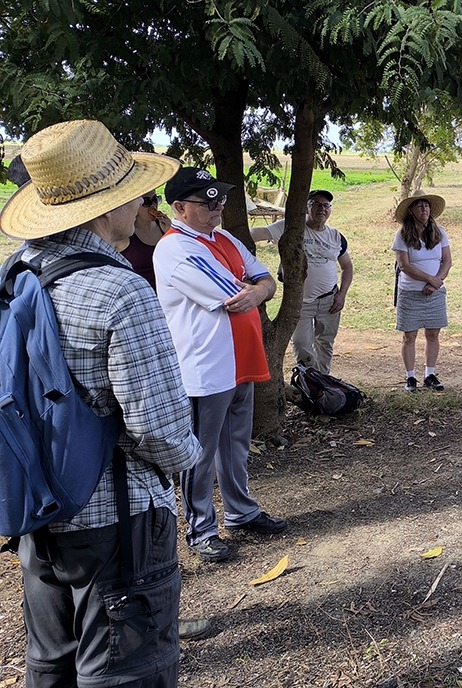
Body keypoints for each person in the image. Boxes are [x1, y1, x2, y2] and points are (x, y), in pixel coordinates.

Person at [0, 119, 202, 688]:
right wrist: (184, 466)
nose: (141, 199)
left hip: (39, 517)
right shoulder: (120, 291)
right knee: (128, 673)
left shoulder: (16, 277)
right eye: (132, 190)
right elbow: (160, 430)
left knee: (53, 669)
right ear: (102, 207)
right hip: (119, 521)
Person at [154, 167, 287, 563]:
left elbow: (264, 280)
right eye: (206, 202)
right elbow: (232, 294)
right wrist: (256, 288)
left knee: (235, 445)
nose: (217, 208)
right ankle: (200, 529)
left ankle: (241, 512)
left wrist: (260, 288)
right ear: (179, 207)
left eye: (220, 200)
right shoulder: (176, 248)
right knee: (199, 452)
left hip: (239, 361)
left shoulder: (224, 237)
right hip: (205, 368)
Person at [249, 189, 353, 375]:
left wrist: (342, 294)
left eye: (325, 205)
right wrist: (232, 235)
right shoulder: (292, 227)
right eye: (316, 204)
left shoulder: (336, 237)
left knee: (325, 342)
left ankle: (324, 382)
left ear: (330, 210)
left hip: (330, 299)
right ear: (306, 207)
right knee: (301, 343)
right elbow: (260, 233)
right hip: (300, 301)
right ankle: (309, 382)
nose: (321, 209)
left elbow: (347, 267)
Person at [391, 190, 451, 392]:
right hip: (410, 292)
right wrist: (429, 279)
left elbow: (447, 261)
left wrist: (436, 283)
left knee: (433, 334)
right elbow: (405, 265)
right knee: (409, 336)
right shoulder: (401, 235)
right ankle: (410, 377)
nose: (424, 208)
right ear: (411, 210)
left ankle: (430, 374)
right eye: (419, 205)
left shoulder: (440, 232)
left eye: (426, 205)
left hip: (435, 292)